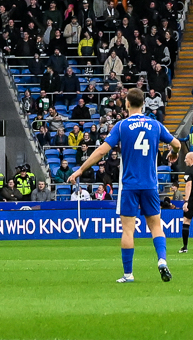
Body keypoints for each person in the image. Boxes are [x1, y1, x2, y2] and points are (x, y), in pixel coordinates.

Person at [66, 85, 175, 283]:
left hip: (130, 185)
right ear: (144, 104)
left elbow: (101, 152)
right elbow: (176, 144)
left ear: (126, 103)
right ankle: (162, 261)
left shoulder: (122, 126)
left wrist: (81, 169)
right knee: (156, 226)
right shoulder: (156, 125)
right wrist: (173, 154)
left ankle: (128, 274)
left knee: (128, 230)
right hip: (150, 184)